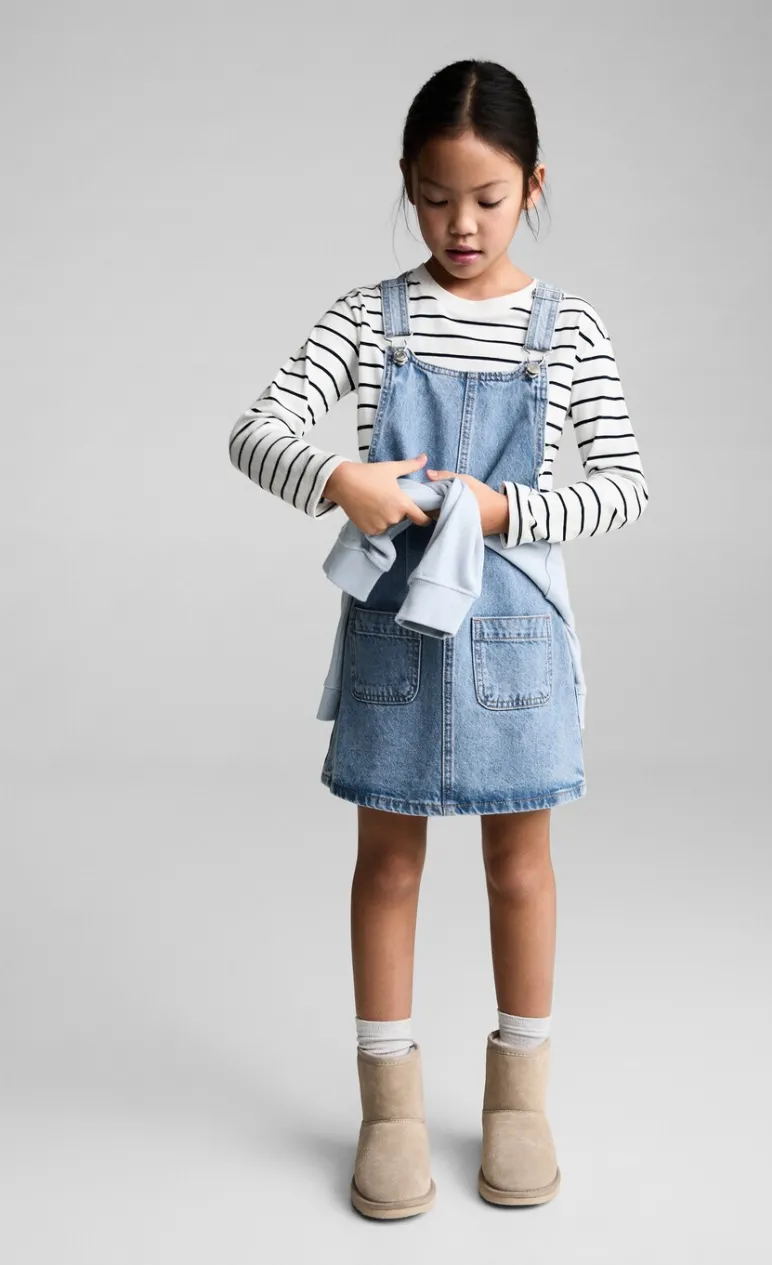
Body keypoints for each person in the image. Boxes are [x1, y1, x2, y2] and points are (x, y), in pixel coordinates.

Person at [228, 58, 649, 1220]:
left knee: (520, 865)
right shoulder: (370, 317)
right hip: (396, 637)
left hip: (515, 637)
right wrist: (340, 478)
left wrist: (508, 510)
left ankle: (519, 1099)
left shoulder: (569, 329)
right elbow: (255, 429)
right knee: (388, 863)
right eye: (433, 197)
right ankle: (390, 1109)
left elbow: (622, 485)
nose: (460, 225)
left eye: (488, 198)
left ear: (532, 187)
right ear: (406, 183)